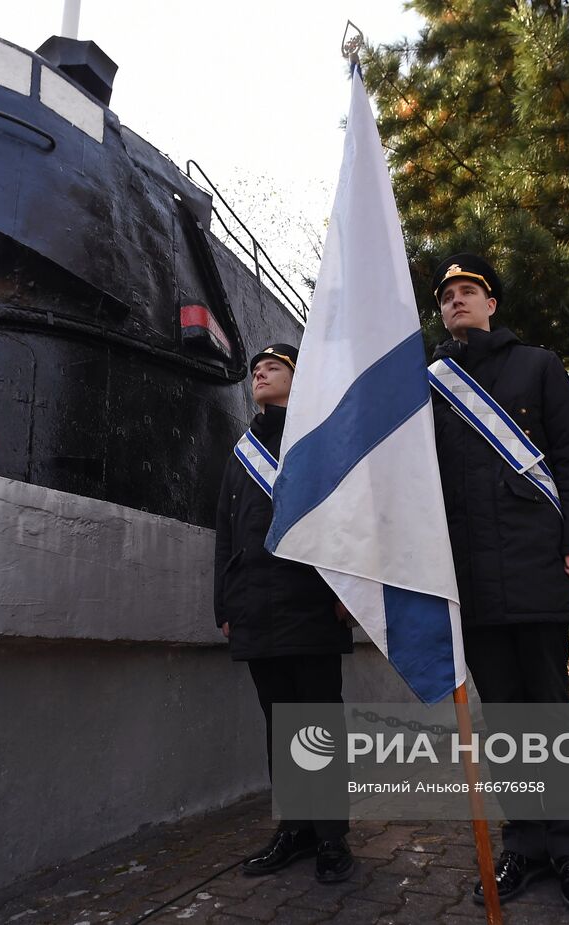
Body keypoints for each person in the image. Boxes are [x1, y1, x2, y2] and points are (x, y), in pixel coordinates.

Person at [428, 254, 569, 915]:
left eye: (468, 290)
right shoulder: (430, 382)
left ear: (492, 302)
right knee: (502, 723)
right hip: (469, 580)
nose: (456, 300)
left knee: (548, 717)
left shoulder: (538, 365)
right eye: (447, 294)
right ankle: (525, 845)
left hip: (535, 568)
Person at [213, 343, 356, 884]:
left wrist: (348, 589)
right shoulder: (240, 452)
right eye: (256, 370)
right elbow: (225, 531)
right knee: (280, 726)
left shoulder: (319, 440)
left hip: (311, 603)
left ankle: (331, 837)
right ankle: (295, 829)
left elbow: (345, 518)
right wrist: (223, 602)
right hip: (254, 606)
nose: (260, 374)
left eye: (273, 368)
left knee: (318, 726)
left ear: (300, 379)